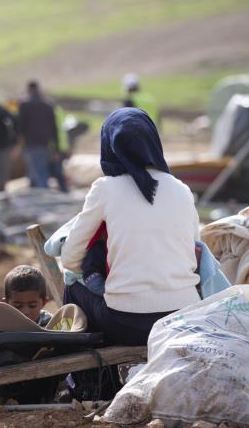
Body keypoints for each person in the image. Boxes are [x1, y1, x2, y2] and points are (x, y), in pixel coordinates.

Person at [59, 108, 200, 346]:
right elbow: (194, 252)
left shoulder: (105, 188)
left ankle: (91, 378)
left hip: (126, 322)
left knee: (71, 285)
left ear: (109, 146)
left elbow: (71, 258)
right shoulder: (182, 189)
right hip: (183, 316)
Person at [17, 80, 59, 189]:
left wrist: (20, 144)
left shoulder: (24, 104)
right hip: (45, 143)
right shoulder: (48, 104)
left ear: (28, 89)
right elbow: (54, 128)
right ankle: (35, 197)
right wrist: (56, 148)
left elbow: (21, 126)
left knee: (38, 172)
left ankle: (43, 198)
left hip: (31, 143)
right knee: (35, 171)